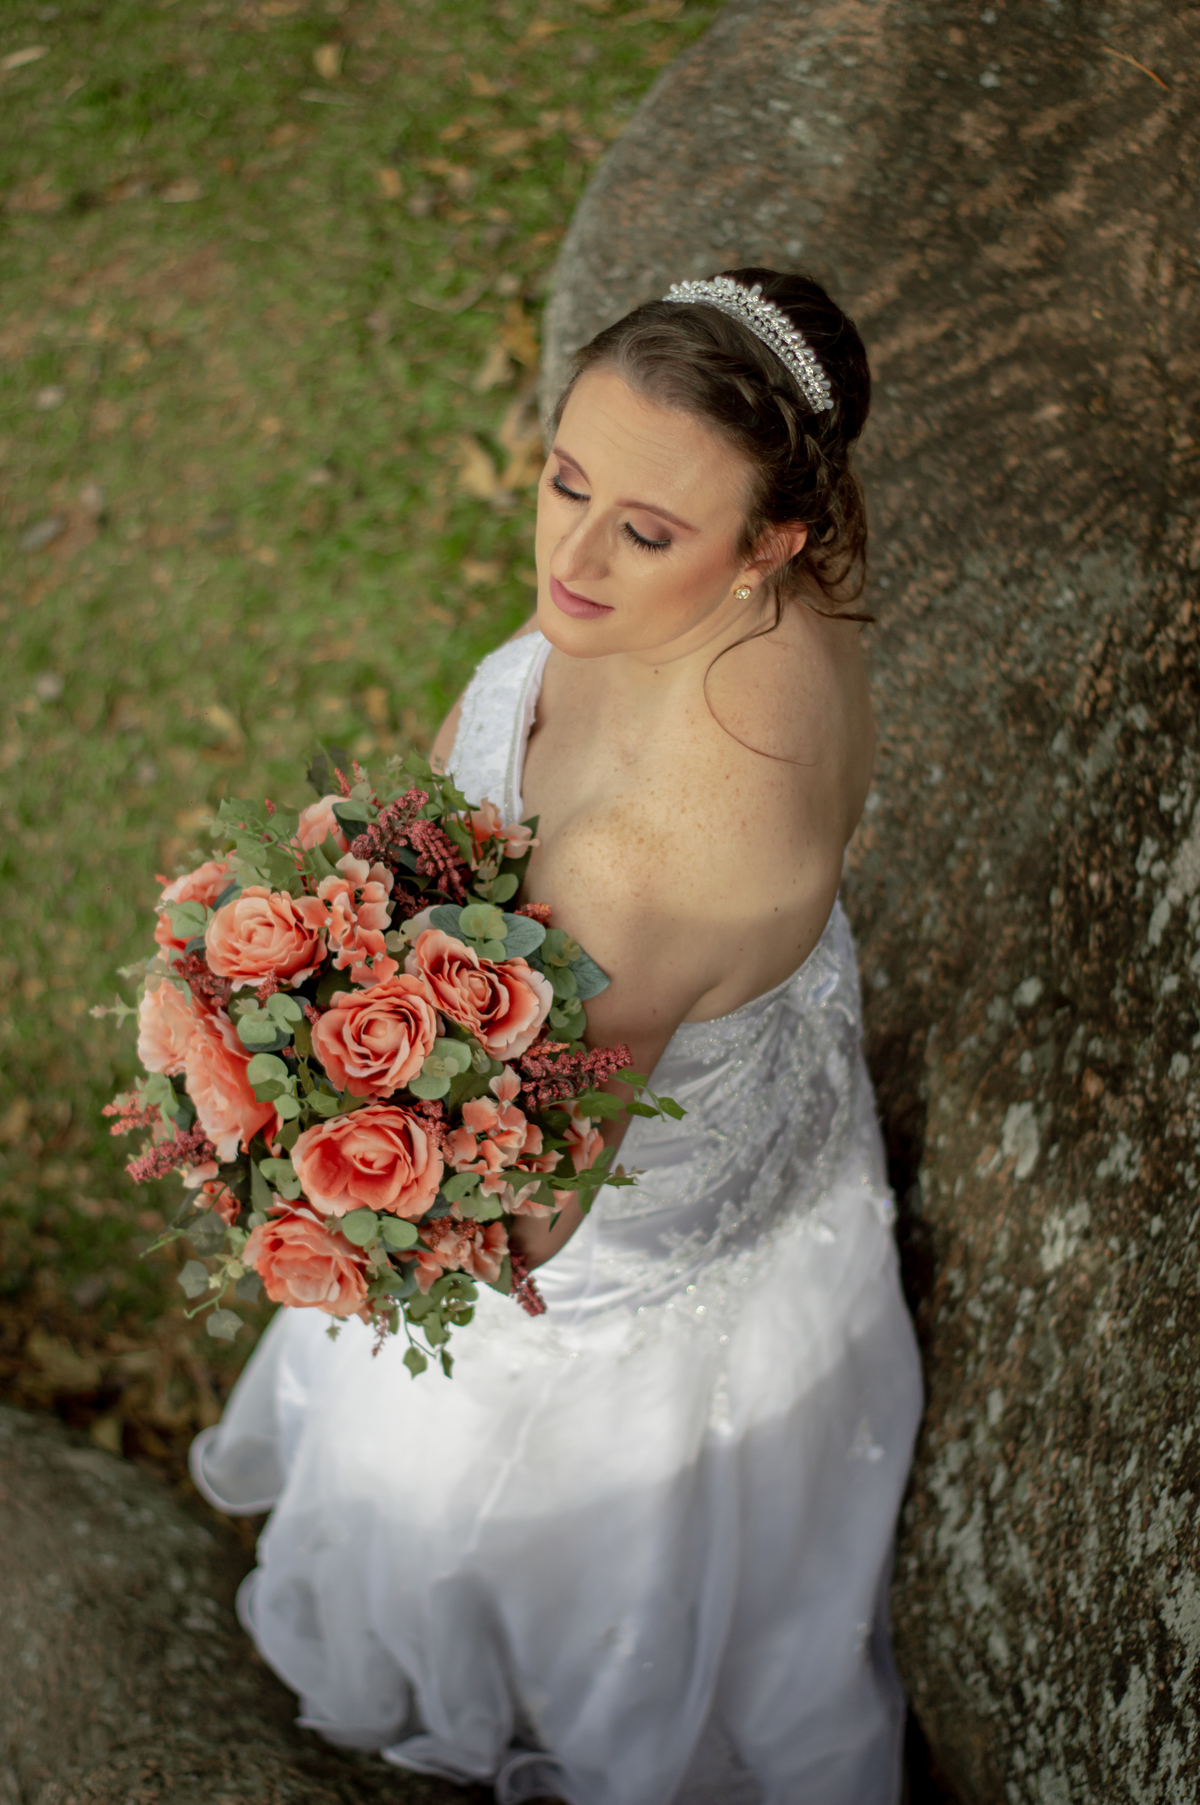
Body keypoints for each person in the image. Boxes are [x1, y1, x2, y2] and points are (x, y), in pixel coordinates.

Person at [190, 268, 923, 1805]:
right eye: (565, 480)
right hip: (753, 1104)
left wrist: (285, 1096)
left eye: (643, 530)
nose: (572, 558)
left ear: (770, 537)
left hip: (616, 1260)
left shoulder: (651, 858)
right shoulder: (773, 608)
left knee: (477, 1481)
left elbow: (522, 1221)